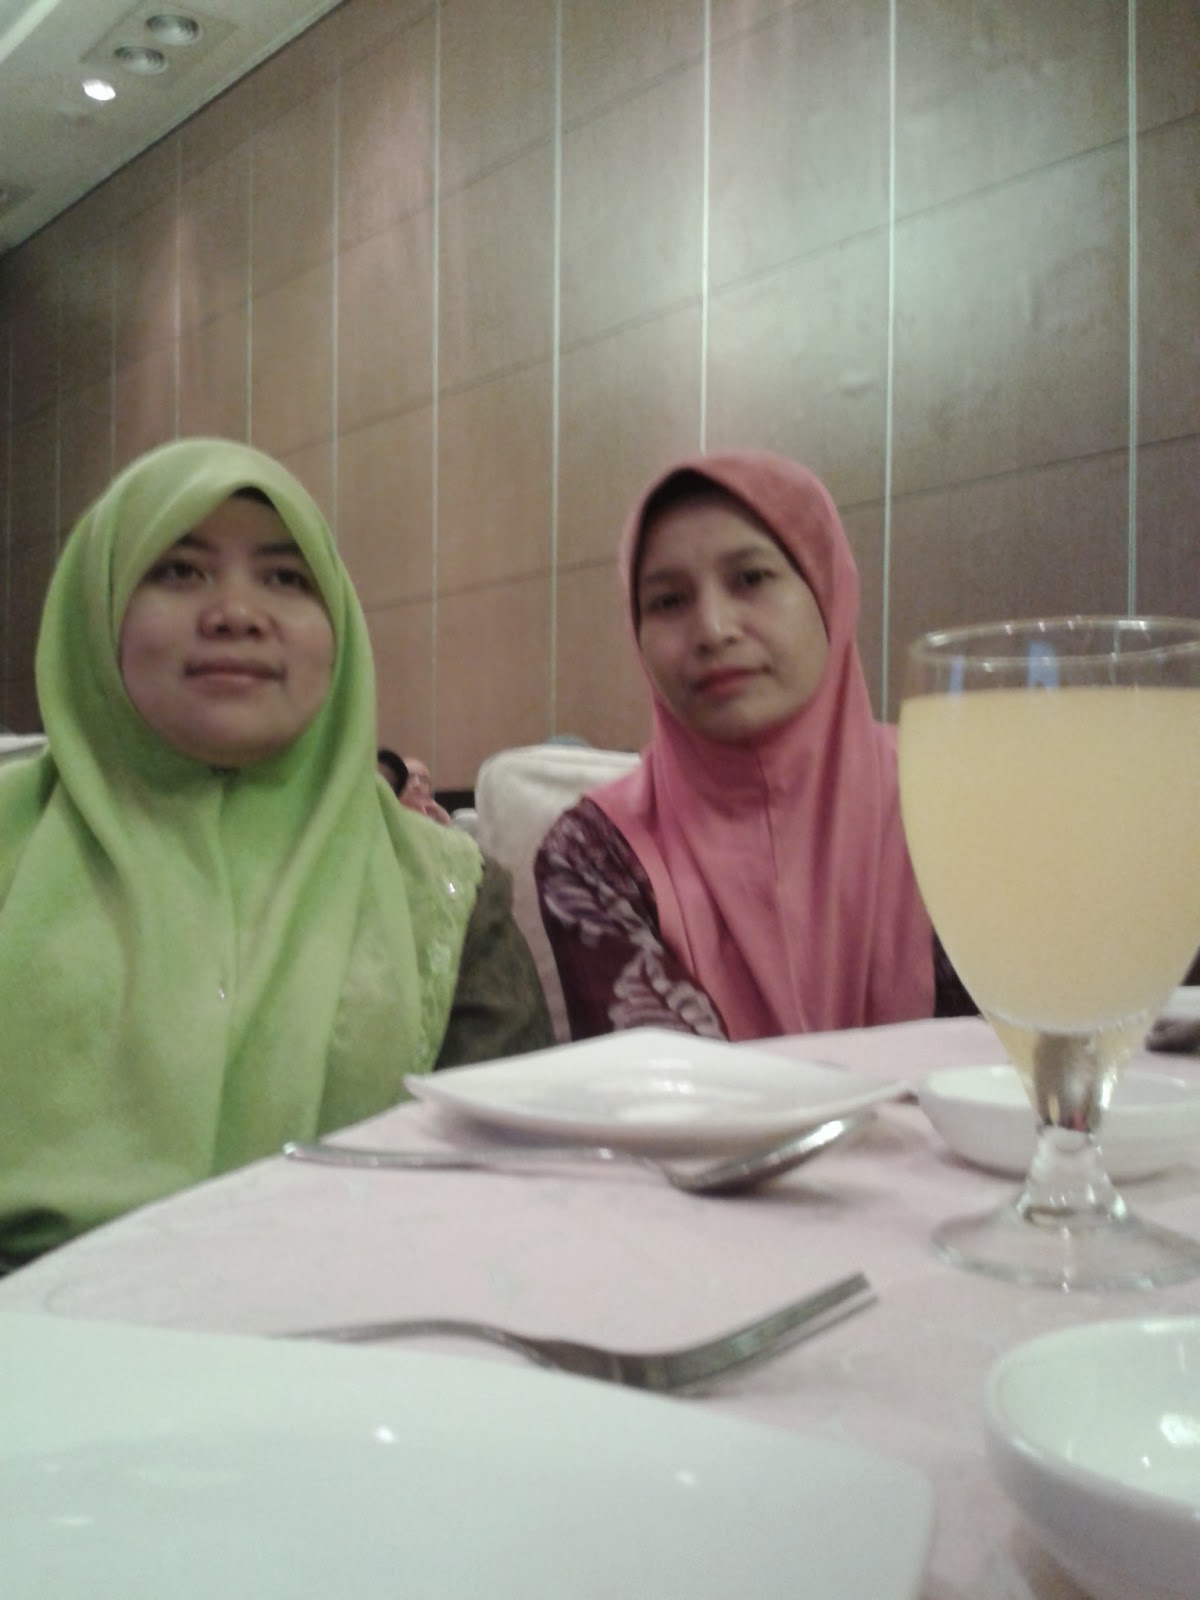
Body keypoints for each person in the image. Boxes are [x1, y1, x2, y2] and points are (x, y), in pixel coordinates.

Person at [0, 438, 551, 1269]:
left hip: (366, 1322)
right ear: (98, 610)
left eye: (286, 579)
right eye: (179, 570)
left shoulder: (448, 897)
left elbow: (516, 1198)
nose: (236, 613)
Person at [534, 450, 975, 1042]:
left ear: (827, 588)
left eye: (751, 579)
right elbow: (658, 1086)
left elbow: (1011, 1060)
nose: (713, 630)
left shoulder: (958, 800)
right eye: (668, 601)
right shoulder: (594, 854)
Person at [399, 755, 452, 826]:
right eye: (409, 778)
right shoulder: (387, 818)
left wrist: (446, 822)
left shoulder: (437, 821)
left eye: (423, 780)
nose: (417, 784)